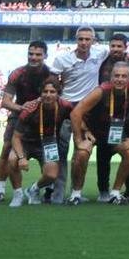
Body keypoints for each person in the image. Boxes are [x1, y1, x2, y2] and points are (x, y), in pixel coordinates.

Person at [67, 61, 129, 205]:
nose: (120, 79)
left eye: (124, 76)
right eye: (116, 76)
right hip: (92, 132)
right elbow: (75, 113)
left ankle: (115, 193)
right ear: (111, 77)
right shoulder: (102, 90)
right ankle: (76, 194)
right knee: (82, 152)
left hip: (115, 132)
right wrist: (78, 140)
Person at [48, 26, 107, 204]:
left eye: (87, 39)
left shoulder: (101, 53)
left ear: (93, 40)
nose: (84, 42)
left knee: (81, 152)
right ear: (76, 39)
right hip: (67, 110)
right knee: (61, 153)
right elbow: (52, 81)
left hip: (89, 111)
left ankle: (76, 193)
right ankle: (57, 194)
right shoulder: (62, 59)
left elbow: (117, 53)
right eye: (80, 39)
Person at [0, 40, 51, 202]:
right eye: (31, 54)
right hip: (19, 116)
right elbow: (5, 102)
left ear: (45, 56)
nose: (34, 57)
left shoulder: (50, 75)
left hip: (43, 119)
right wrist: (22, 108)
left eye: (38, 54)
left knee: (47, 151)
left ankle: (46, 189)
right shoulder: (17, 74)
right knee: (6, 149)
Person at [8, 76, 71, 207]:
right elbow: (15, 137)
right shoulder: (30, 109)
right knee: (12, 159)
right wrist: (21, 157)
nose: (48, 95)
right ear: (41, 93)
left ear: (58, 94)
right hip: (25, 143)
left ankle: (33, 189)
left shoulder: (65, 106)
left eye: (52, 92)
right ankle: (17, 194)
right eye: (45, 91)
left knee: (52, 175)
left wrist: (86, 131)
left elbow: (77, 119)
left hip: (48, 144)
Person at [94, 33, 129, 202]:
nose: (116, 49)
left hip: (126, 118)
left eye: (120, 46)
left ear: (126, 47)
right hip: (103, 118)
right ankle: (103, 190)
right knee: (102, 156)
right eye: (113, 46)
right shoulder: (100, 61)